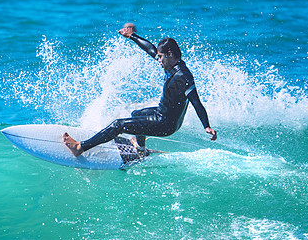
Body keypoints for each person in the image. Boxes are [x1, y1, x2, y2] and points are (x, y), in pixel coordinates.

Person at [63, 23, 217, 157]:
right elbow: (150, 49)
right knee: (137, 114)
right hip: (161, 114)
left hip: (165, 124)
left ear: (169, 55)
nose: (158, 60)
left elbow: (196, 102)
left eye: (160, 56)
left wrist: (206, 126)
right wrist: (132, 36)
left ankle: (80, 147)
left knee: (118, 124)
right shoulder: (171, 64)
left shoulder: (183, 76)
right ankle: (140, 149)